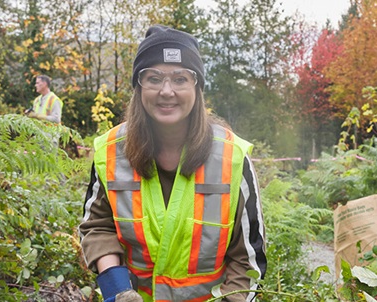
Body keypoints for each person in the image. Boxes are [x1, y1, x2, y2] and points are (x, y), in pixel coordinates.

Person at [77, 25, 267, 302]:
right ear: (138, 86)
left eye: (180, 79)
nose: (166, 91)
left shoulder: (233, 157)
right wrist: (117, 290)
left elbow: (248, 258)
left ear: (197, 86)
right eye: (153, 78)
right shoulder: (110, 151)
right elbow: (97, 226)